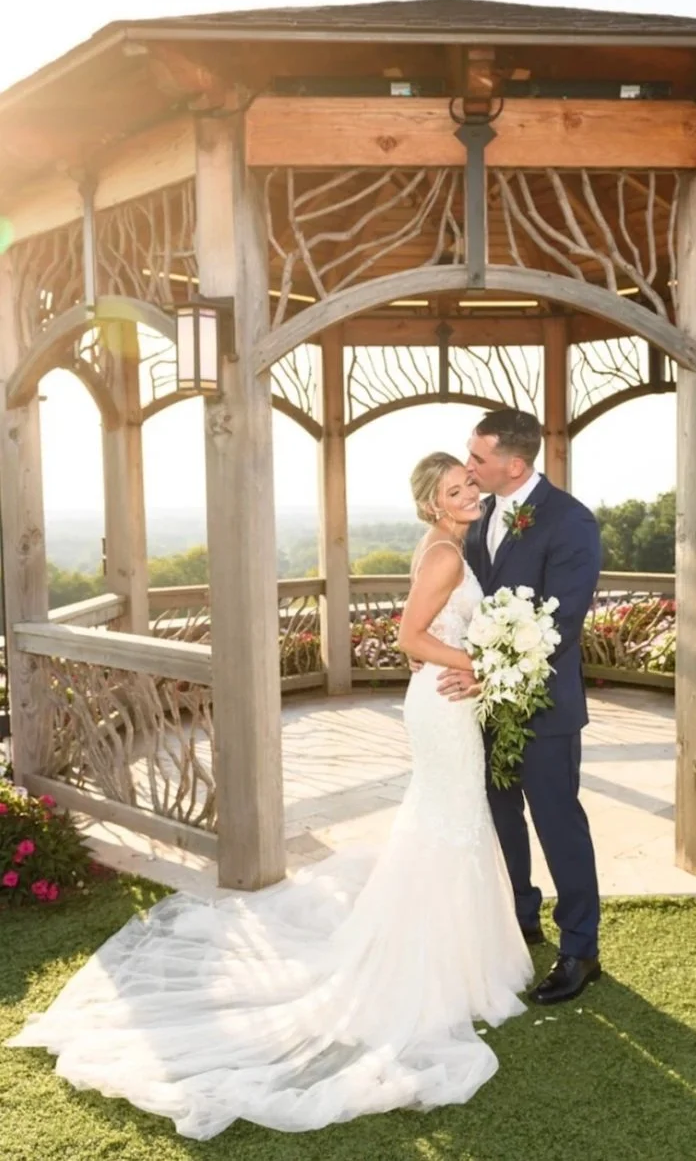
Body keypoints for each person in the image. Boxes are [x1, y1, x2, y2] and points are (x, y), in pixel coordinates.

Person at [6, 452, 532, 1141]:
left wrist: (481, 668)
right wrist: (488, 662)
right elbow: (410, 637)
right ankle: (434, 967)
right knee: (447, 824)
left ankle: (463, 961)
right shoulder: (443, 556)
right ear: (433, 506)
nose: (467, 495)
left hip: (445, 702)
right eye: (453, 491)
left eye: (469, 485)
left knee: (450, 823)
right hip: (442, 705)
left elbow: (419, 642)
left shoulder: (444, 548)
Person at [440, 409, 603, 1006]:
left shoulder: (571, 521)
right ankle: (519, 916)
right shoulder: (480, 513)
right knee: (500, 816)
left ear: (515, 463)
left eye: (477, 459)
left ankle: (581, 949)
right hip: (481, 708)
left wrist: (485, 672)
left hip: (544, 707)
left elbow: (559, 621)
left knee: (558, 824)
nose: (468, 467)